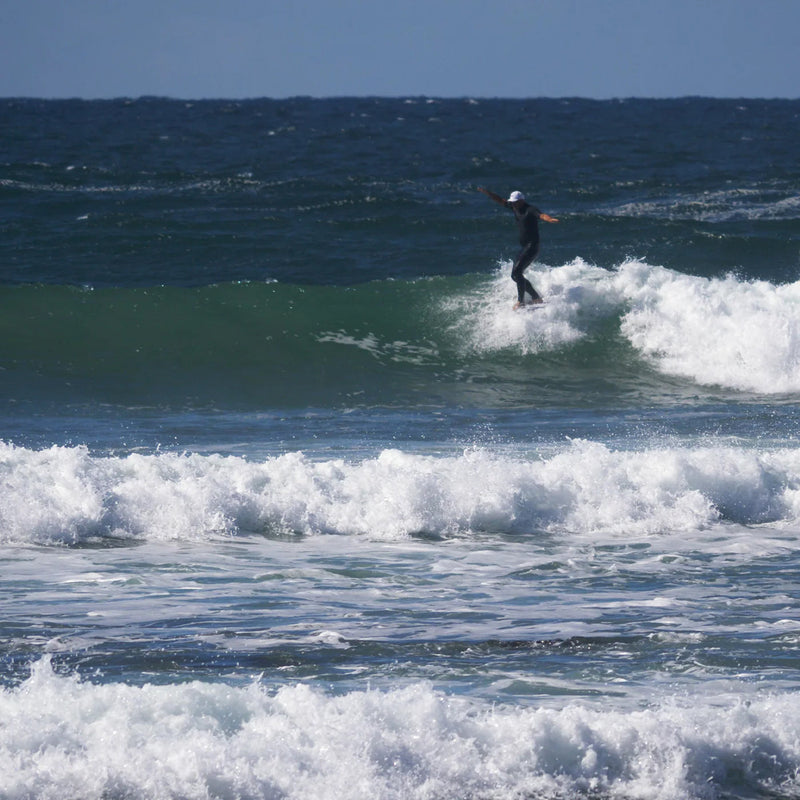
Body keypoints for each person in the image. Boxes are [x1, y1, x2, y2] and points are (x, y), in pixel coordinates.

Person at [478, 187, 559, 309]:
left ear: (521, 201)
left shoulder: (530, 209)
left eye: (515, 202)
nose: (513, 204)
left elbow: (541, 215)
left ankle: (521, 301)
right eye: (512, 202)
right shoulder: (514, 207)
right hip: (525, 247)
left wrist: (549, 219)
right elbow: (500, 200)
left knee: (517, 273)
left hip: (532, 247)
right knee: (515, 275)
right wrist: (488, 193)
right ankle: (536, 297)